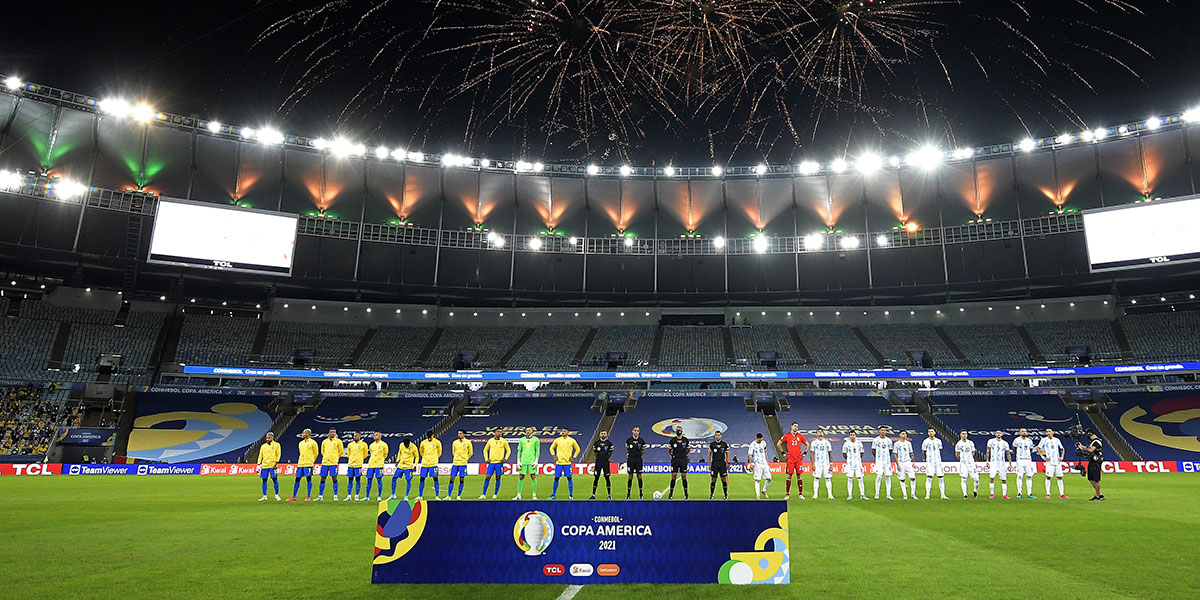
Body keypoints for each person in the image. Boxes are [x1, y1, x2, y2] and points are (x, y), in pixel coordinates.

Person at [777, 422, 808, 500]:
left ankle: (800, 494)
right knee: (789, 476)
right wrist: (783, 453)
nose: (796, 427)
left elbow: (807, 444)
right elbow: (778, 444)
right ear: (791, 427)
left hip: (798, 459)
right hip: (790, 459)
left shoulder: (800, 436)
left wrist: (804, 453)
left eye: (797, 426)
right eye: (795, 426)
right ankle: (787, 494)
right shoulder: (787, 436)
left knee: (799, 476)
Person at [1036, 428, 1068, 499]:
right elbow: (1038, 448)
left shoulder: (1057, 440)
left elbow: (1062, 448)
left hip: (1057, 462)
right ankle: (1048, 493)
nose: (1048, 433)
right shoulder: (1044, 440)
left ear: (1053, 432)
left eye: (1049, 431)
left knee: (1059, 477)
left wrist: (1062, 456)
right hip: (1049, 462)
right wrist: (1043, 457)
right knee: (1048, 477)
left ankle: (1062, 494)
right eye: (1047, 431)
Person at [287, 429, 319, 501]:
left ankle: (308, 496)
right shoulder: (300, 443)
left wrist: (312, 461)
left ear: (307, 434)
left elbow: (316, 453)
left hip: (308, 464)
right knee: (297, 479)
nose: (302, 434)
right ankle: (294, 496)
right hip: (300, 464)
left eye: (303, 433)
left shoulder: (313, 443)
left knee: (308, 479)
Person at [549, 428, 580, 500]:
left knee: (569, 478)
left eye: (564, 431)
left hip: (567, 463)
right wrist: (554, 455)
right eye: (562, 431)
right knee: (556, 478)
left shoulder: (572, 440)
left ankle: (571, 495)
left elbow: (578, 449)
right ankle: (553, 495)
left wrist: (574, 457)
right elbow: (551, 448)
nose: (562, 432)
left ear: (568, 432)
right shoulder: (557, 440)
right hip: (559, 463)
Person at [480, 430, 510, 499]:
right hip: (491, 463)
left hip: (499, 463)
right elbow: (485, 450)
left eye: (500, 432)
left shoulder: (504, 441)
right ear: (495, 433)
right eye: (498, 432)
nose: (499, 433)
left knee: (498, 477)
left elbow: (508, 450)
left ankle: (495, 494)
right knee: (487, 477)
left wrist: (505, 458)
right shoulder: (490, 440)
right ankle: (483, 494)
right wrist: (486, 459)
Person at [317, 428, 343, 501]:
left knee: (334, 478)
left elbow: (340, 452)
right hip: (325, 462)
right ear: (329, 433)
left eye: (334, 432)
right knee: (322, 478)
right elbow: (322, 451)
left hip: (333, 463)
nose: (332, 433)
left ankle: (335, 495)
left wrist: (335, 457)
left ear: (335, 433)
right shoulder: (324, 442)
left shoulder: (338, 441)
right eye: (331, 432)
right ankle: (320, 495)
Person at [921, 428, 948, 500]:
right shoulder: (925, 441)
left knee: (941, 478)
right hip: (930, 463)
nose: (930, 433)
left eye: (932, 431)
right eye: (929, 431)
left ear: (935, 433)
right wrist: (927, 459)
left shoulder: (938, 441)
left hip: (938, 462)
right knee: (929, 477)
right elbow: (924, 451)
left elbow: (940, 450)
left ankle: (943, 495)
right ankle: (927, 495)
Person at [513, 426, 540, 500]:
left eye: (529, 430)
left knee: (533, 476)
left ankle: (534, 494)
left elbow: (537, 451)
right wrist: (518, 461)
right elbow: (519, 451)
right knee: (521, 476)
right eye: (526, 430)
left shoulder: (536, 439)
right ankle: (518, 494)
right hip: (523, 460)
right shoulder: (522, 440)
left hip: (532, 460)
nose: (527, 431)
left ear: (532, 431)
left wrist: (536, 461)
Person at [1079, 430, 1105, 501]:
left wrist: (1085, 449)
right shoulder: (1093, 442)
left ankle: (1097, 495)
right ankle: (1100, 494)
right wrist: (1082, 447)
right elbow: (1090, 449)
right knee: (1091, 478)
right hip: (1092, 461)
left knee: (1095, 479)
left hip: (1095, 462)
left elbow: (1091, 450)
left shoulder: (1097, 441)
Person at [447, 429, 473, 501]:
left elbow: (471, 453)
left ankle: (459, 495)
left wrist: (465, 459)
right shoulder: (455, 442)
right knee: (452, 478)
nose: (459, 435)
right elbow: (453, 452)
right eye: (458, 433)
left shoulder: (468, 442)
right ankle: (449, 496)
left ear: (464, 434)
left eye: (461, 433)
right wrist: (456, 458)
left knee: (461, 479)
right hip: (455, 463)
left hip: (463, 464)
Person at [870, 426, 894, 500]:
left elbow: (890, 450)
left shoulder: (889, 440)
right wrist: (878, 458)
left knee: (888, 477)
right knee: (879, 476)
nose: (883, 431)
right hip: (879, 462)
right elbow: (873, 450)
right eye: (882, 430)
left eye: (884, 430)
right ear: (879, 431)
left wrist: (887, 457)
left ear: (886, 432)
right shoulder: (876, 440)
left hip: (887, 462)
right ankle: (877, 493)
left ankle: (888, 494)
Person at [809, 429, 834, 499]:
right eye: (818, 432)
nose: (820, 433)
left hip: (826, 463)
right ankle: (815, 494)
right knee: (816, 478)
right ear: (816, 434)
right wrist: (812, 464)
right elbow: (811, 454)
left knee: (828, 478)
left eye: (821, 432)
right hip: (818, 463)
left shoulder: (827, 443)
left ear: (823, 433)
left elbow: (830, 453)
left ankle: (830, 495)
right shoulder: (814, 443)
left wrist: (831, 463)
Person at [589, 430, 614, 500]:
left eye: (604, 433)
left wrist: (606, 458)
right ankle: (593, 495)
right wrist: (599, 458)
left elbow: (610, 452)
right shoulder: (596, 444)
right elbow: (595, 453)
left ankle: (609, 495)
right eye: (602, 433)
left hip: (606, 463)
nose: (603, 435)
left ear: (606, 435)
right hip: (598, 463)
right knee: (596, 478)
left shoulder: (609, 444)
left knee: (607, 478)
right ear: (600, 435)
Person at [417, 430, 442, 500]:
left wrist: (434, 459)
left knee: (435, 479)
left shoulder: (437, 442)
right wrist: (425, 458)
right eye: (428, 437)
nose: (429, 438)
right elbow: (421, 452)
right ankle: (420, 496)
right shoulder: (423, 443)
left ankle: (437, 496)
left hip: (433, 464)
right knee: (422, 479)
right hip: (425, 464)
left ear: (433, 435)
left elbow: (439, 452)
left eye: (430, 437)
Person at [986, 430, 1011, 499]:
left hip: (1002, 463)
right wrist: (987, 461)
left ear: (1002, 434)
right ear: (995, 434)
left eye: (1000, 433)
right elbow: (988, 451)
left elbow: (1008, 453)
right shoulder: (991, 441)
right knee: (991, 478)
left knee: (1004, 479)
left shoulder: (1005, 443)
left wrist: (1010, 463)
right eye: (997, 433)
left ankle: (1004, 495)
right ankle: (992, 493)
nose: (998, 434)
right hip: (993, 463)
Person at [257, 431, 282, 501]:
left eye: (269, 438)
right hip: (264, 466)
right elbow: (260, 455)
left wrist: (276, 463)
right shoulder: (263, 446)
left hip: (272, 465)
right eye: (267, 438)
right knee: (264, 480)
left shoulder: (277, 445)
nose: (267, 439)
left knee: (274, 479)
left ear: (272, 438)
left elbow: (278, 454)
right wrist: (258, 464)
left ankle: (276, 495)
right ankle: (264, 496)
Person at [1012, 428, 1036, 499]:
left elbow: (1031, 449)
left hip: (1028, 460)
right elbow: (1014, 449)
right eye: (1022, 431)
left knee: (1029, 476)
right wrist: (1018, 456)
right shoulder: (1016, 440)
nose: (1024, 432)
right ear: (1020, 433)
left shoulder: (1029, 441)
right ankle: (1019, 493)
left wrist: (1028, 456)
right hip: (1020, 459)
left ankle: (1029, 493)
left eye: (1025, 431)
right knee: (1020, 476)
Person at [667, 425, 690, 500]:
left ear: (682, 431)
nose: (678, 431)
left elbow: (688, 449)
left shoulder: (685, 440)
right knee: (673, 476)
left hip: (683, 459)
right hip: (675, 460)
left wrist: (684, 455)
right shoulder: (672, 440)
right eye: (677, 430)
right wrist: (673, 455)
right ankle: (671, 494)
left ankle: (686, 494)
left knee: (684, 476)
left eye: (679, 430)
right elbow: (669, 450)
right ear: (675, 431)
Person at [955, 430, 980, 499]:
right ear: (960, 435)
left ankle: (975, 490)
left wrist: (970, 459)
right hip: (963, 464)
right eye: (963, 434)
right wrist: (962, 460)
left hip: (971, 464)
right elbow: (957, 454)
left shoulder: (970, 443)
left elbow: (973, 452)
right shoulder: (958, 444)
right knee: (963, 479)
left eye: (965, 434)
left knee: (977, 479)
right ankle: (965, 494)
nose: (964, 435)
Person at [842, 431, 867, 500]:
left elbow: (862, 453)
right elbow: (844, 453)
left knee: (860, 479)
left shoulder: (859, 443)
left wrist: (857, 459)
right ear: (849, 436)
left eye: (853, 435)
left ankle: (862, 494)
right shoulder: (846, 444)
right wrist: (849, 460)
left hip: (858, 464)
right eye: (851, 435)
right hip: (850, 464)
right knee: (850, 479)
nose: (852, 436)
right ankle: (850, 495)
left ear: (856, 436)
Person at [625, 426, 648, 499]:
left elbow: (643, 450)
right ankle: (628, 494)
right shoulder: (629, 440)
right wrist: (630, 455)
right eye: (635, 430)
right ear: (632, 431)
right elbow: (627, 449)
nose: (636, 432)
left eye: (637, 431)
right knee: (630, 476)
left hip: (638, 460)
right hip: (631, 459)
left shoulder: (641, 441)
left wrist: (639, 455)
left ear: (639, 432)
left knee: (639, 476)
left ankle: (641, 494)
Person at [747, 432, 772, 499]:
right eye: (759, 440)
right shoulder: (752, 445)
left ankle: (764, 490)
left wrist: (767, 460)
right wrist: (750, 463)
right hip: (757, 464)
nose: (761, 441)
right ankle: (758, 495)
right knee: (757, 480)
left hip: (764, 463)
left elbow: (765, 451)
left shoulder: (764, 443)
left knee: (769, 478)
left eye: (761, 439)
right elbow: (750, 455)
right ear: (757, 438)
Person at [365, 431, 388, 501]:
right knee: (369, 480)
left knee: (379, 480)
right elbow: (371, 453)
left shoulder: (384, 445)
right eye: (374, 435)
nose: (375, 436)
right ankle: (367, 496)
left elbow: (385, 454)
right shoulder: (371, 445)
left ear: (380, 436)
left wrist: (380, 460)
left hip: (379, 465)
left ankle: (379, 496)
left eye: (376, 435)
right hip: (371, 465)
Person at [344, 432, 368, 501]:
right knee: (350, 480)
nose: (355, 436)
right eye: (354, 435)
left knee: (358, 480)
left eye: (356, 435)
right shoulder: (350, 444)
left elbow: (365, 454)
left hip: (358, 465)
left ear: (359, 436)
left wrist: (359, 459)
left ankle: (356, 495)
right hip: (351, 465)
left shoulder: (363, 444)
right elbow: (348, 454)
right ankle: (349, 495)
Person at [893, 431, 917, 499]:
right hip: (901, 462)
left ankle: (913, 494)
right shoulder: (896, 444)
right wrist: (897, 464)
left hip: (908, 462)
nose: (904, 435)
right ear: (900, 435)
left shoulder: (908, 443)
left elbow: (911, 453)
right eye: (903, 434)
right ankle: (905, 495)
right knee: (902, 479)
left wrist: (913, 462)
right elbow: (895, 454)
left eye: (905, 434)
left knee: (913, 478)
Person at [708, 430, 731, 500]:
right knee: (713, 479)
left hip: (722, 463)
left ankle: (725, 494)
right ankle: (711, 494)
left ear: (721, 436)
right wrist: (709, 464)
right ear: (715, 436)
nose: (717, 436)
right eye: (716, 435)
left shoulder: (724, 444)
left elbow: (727, 454)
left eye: (719, 435)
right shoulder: (712, 445)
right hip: (714, 463)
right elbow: (709, 455)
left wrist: (728, 462)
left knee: (723, 479)